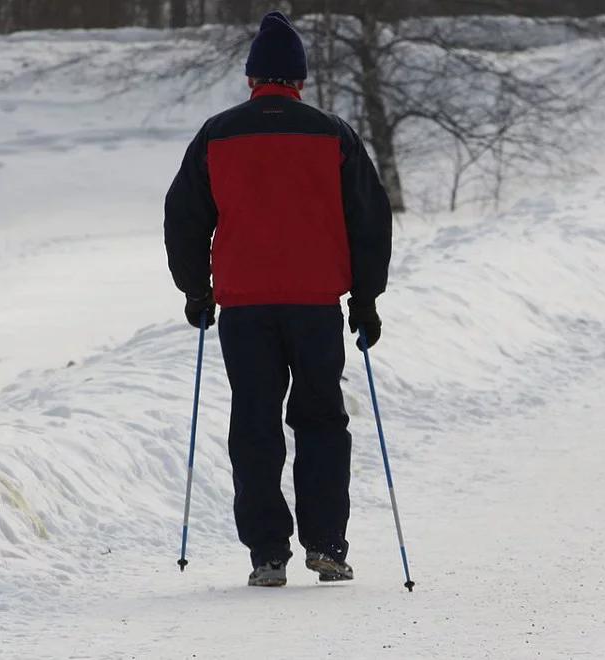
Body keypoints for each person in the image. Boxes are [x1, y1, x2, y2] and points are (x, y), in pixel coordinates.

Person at [163, 11, 392, 587]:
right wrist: (365, 300)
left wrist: (196, 288)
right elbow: (370, 221)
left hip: (245, 308)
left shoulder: (217, 135)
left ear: (251, 78)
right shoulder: (331, 134)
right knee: (320, 420)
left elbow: (183, 217)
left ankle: (267, 553)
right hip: (314, 305)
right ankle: (327, 546)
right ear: (300, 80)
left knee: (255, 423)